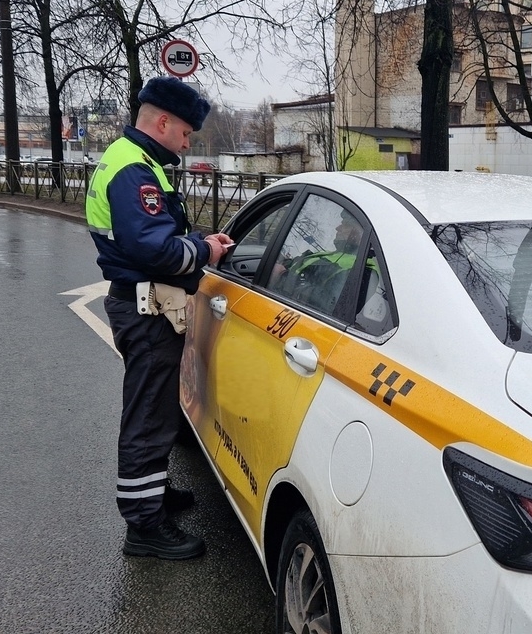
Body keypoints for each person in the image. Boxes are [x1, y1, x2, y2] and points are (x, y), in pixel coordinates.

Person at [85, 76, 234, 560]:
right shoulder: (136, 171)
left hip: (144, 304)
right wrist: (204, 248)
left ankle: (152, 494)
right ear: (163, 121)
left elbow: (154, 235)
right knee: (148, 414)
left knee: (155, 407)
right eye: (187, 133)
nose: (188, 142)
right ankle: (145, 527)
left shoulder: (135, 160)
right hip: (146, 307)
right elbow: (155, 249)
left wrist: (194, 241)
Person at [271, 210, 365, 313]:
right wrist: (284, 263)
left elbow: (329, 303)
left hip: (291, 309)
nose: (337, 228)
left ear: (360, 233)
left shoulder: (362, 268)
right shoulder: (333, 254)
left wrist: (283, 277)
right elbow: (302, 264)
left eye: (346, 225)